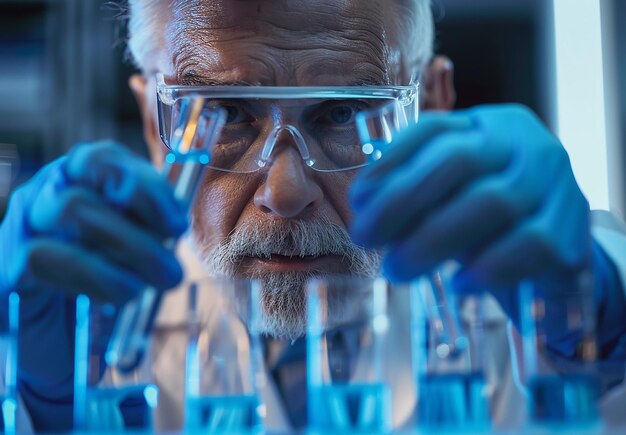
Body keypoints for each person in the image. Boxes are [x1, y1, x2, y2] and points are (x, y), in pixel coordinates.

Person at [1, 0, 625, 431]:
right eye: (227, 112)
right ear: (153, 123)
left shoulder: (512, 302)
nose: (286, 188)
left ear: (430, 106)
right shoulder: (90, 334)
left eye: (343, 113)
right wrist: (41, 405)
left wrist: (606, 322)